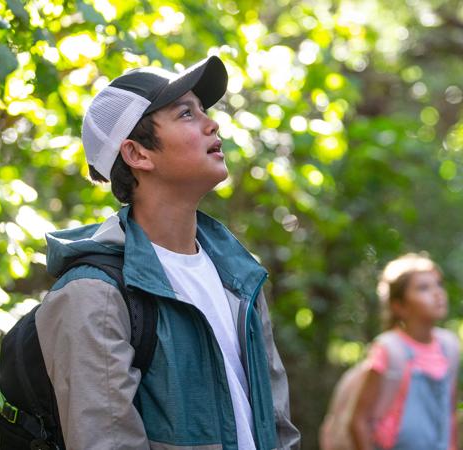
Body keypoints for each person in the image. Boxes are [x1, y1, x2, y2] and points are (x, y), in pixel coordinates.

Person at [36, 55, 301, 449]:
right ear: (138, 154)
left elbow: (279, 430)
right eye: (186, 114)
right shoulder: (93, 295)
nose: (212, 123)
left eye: (204, 110)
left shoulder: (240, 278)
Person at [350, 253, 460, 450]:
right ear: (399, 306)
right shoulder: (389, 348)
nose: (438, 293)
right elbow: (359, 420)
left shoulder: (450, 346)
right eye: (423, 288)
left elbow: (449, 413)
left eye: (438, 285)